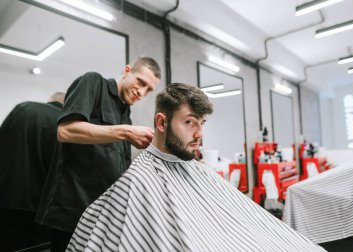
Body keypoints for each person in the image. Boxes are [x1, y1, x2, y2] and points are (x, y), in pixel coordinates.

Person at [67, 83, 325, 252]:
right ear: (161, 122)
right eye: (190, 122)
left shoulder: (198, 170)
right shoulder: (140, 180)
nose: (200, 133)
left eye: (202, 123)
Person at [36, 57, 161, 252]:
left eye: (149, 90)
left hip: (102, 217)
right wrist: (127, 132)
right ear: (127, 71)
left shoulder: (125, 113)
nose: (142, 92)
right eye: (141, 82)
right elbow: (66, 131)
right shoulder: (94, 82)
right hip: (72, 213)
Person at [0, 92, 65, 252]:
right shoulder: (65, 124)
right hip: (41, 209)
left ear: (50, 100)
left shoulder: (23, 108)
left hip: (6, 199)